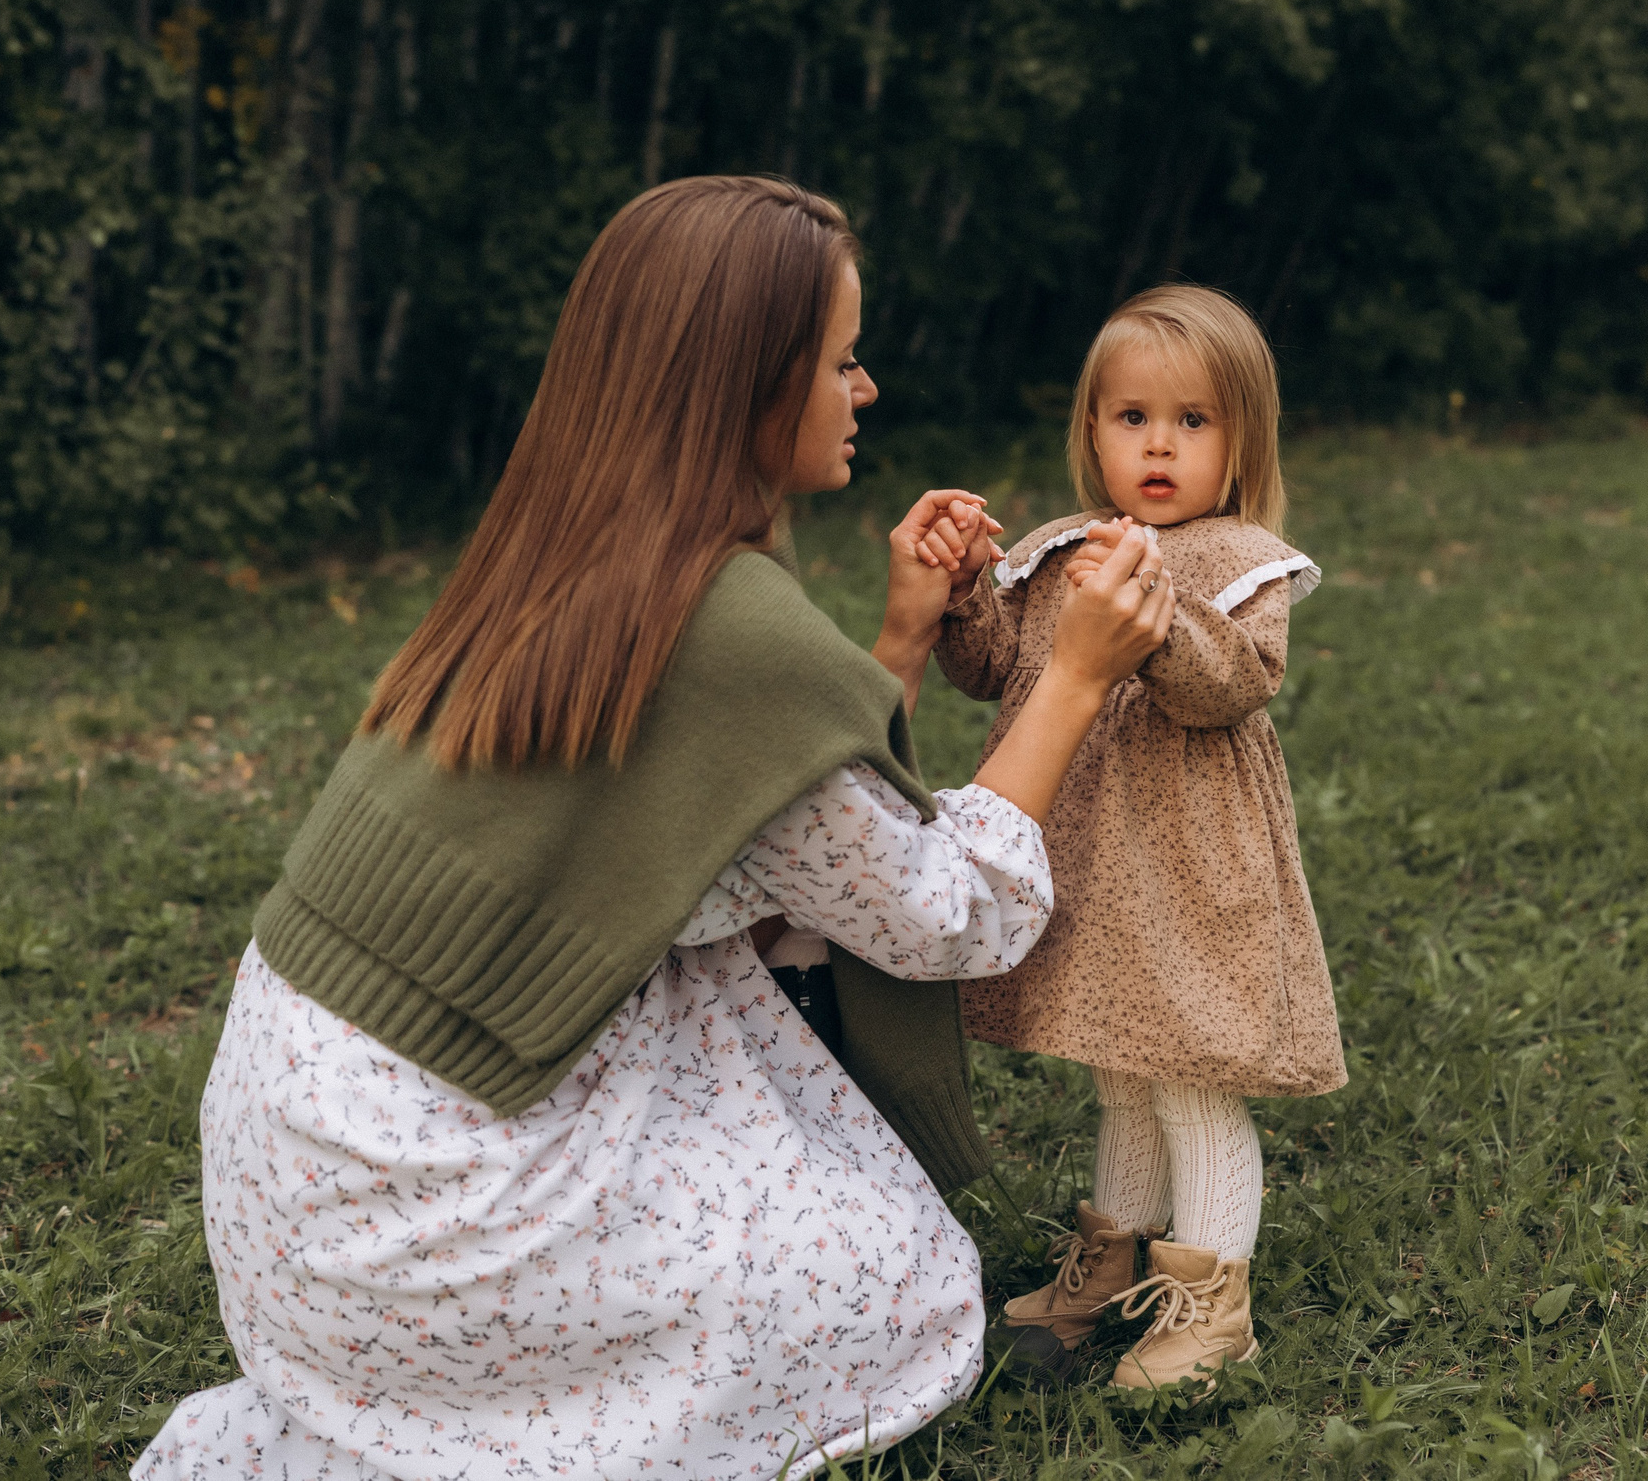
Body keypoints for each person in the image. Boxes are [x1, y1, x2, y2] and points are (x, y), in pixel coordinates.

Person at [130, 176, 1175, 1480]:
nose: (867, 390)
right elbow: (935, 910)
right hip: (427, 1228)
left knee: (744, 1019)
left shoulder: (552, 550)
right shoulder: (726, 619)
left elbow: (771, 818)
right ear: (748, 386)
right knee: (887, 1276)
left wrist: (898, 641)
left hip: (296, 1190)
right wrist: (1075, 677)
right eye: (842, 361)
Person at [923, 284, 1346, 1393]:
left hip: (1187, 864)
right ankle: (1113, 1259)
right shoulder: (1064, 547)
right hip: (1091, 855)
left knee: (1191, 1069)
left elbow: (1230, 687)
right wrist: (965, 585)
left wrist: (1155, 614)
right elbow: (988, 673)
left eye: (1193, 422)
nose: (1159, 445)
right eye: (1132, 418)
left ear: (1240, 439)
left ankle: (1212, 1302)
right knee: (1120, 1063)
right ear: (1093, 430)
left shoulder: (1240, 557)